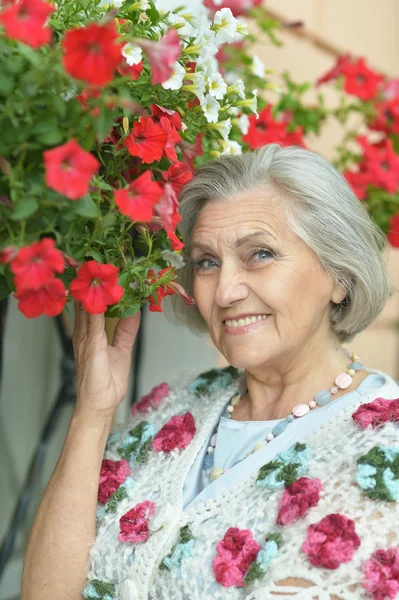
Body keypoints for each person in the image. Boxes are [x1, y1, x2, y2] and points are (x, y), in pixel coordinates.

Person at [22, 144, 399, 600]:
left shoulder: (383, 451)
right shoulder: (167, 412)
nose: (224, 291)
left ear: (338, 276)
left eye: (259, 254)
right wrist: (93, 412)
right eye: (206, 262)